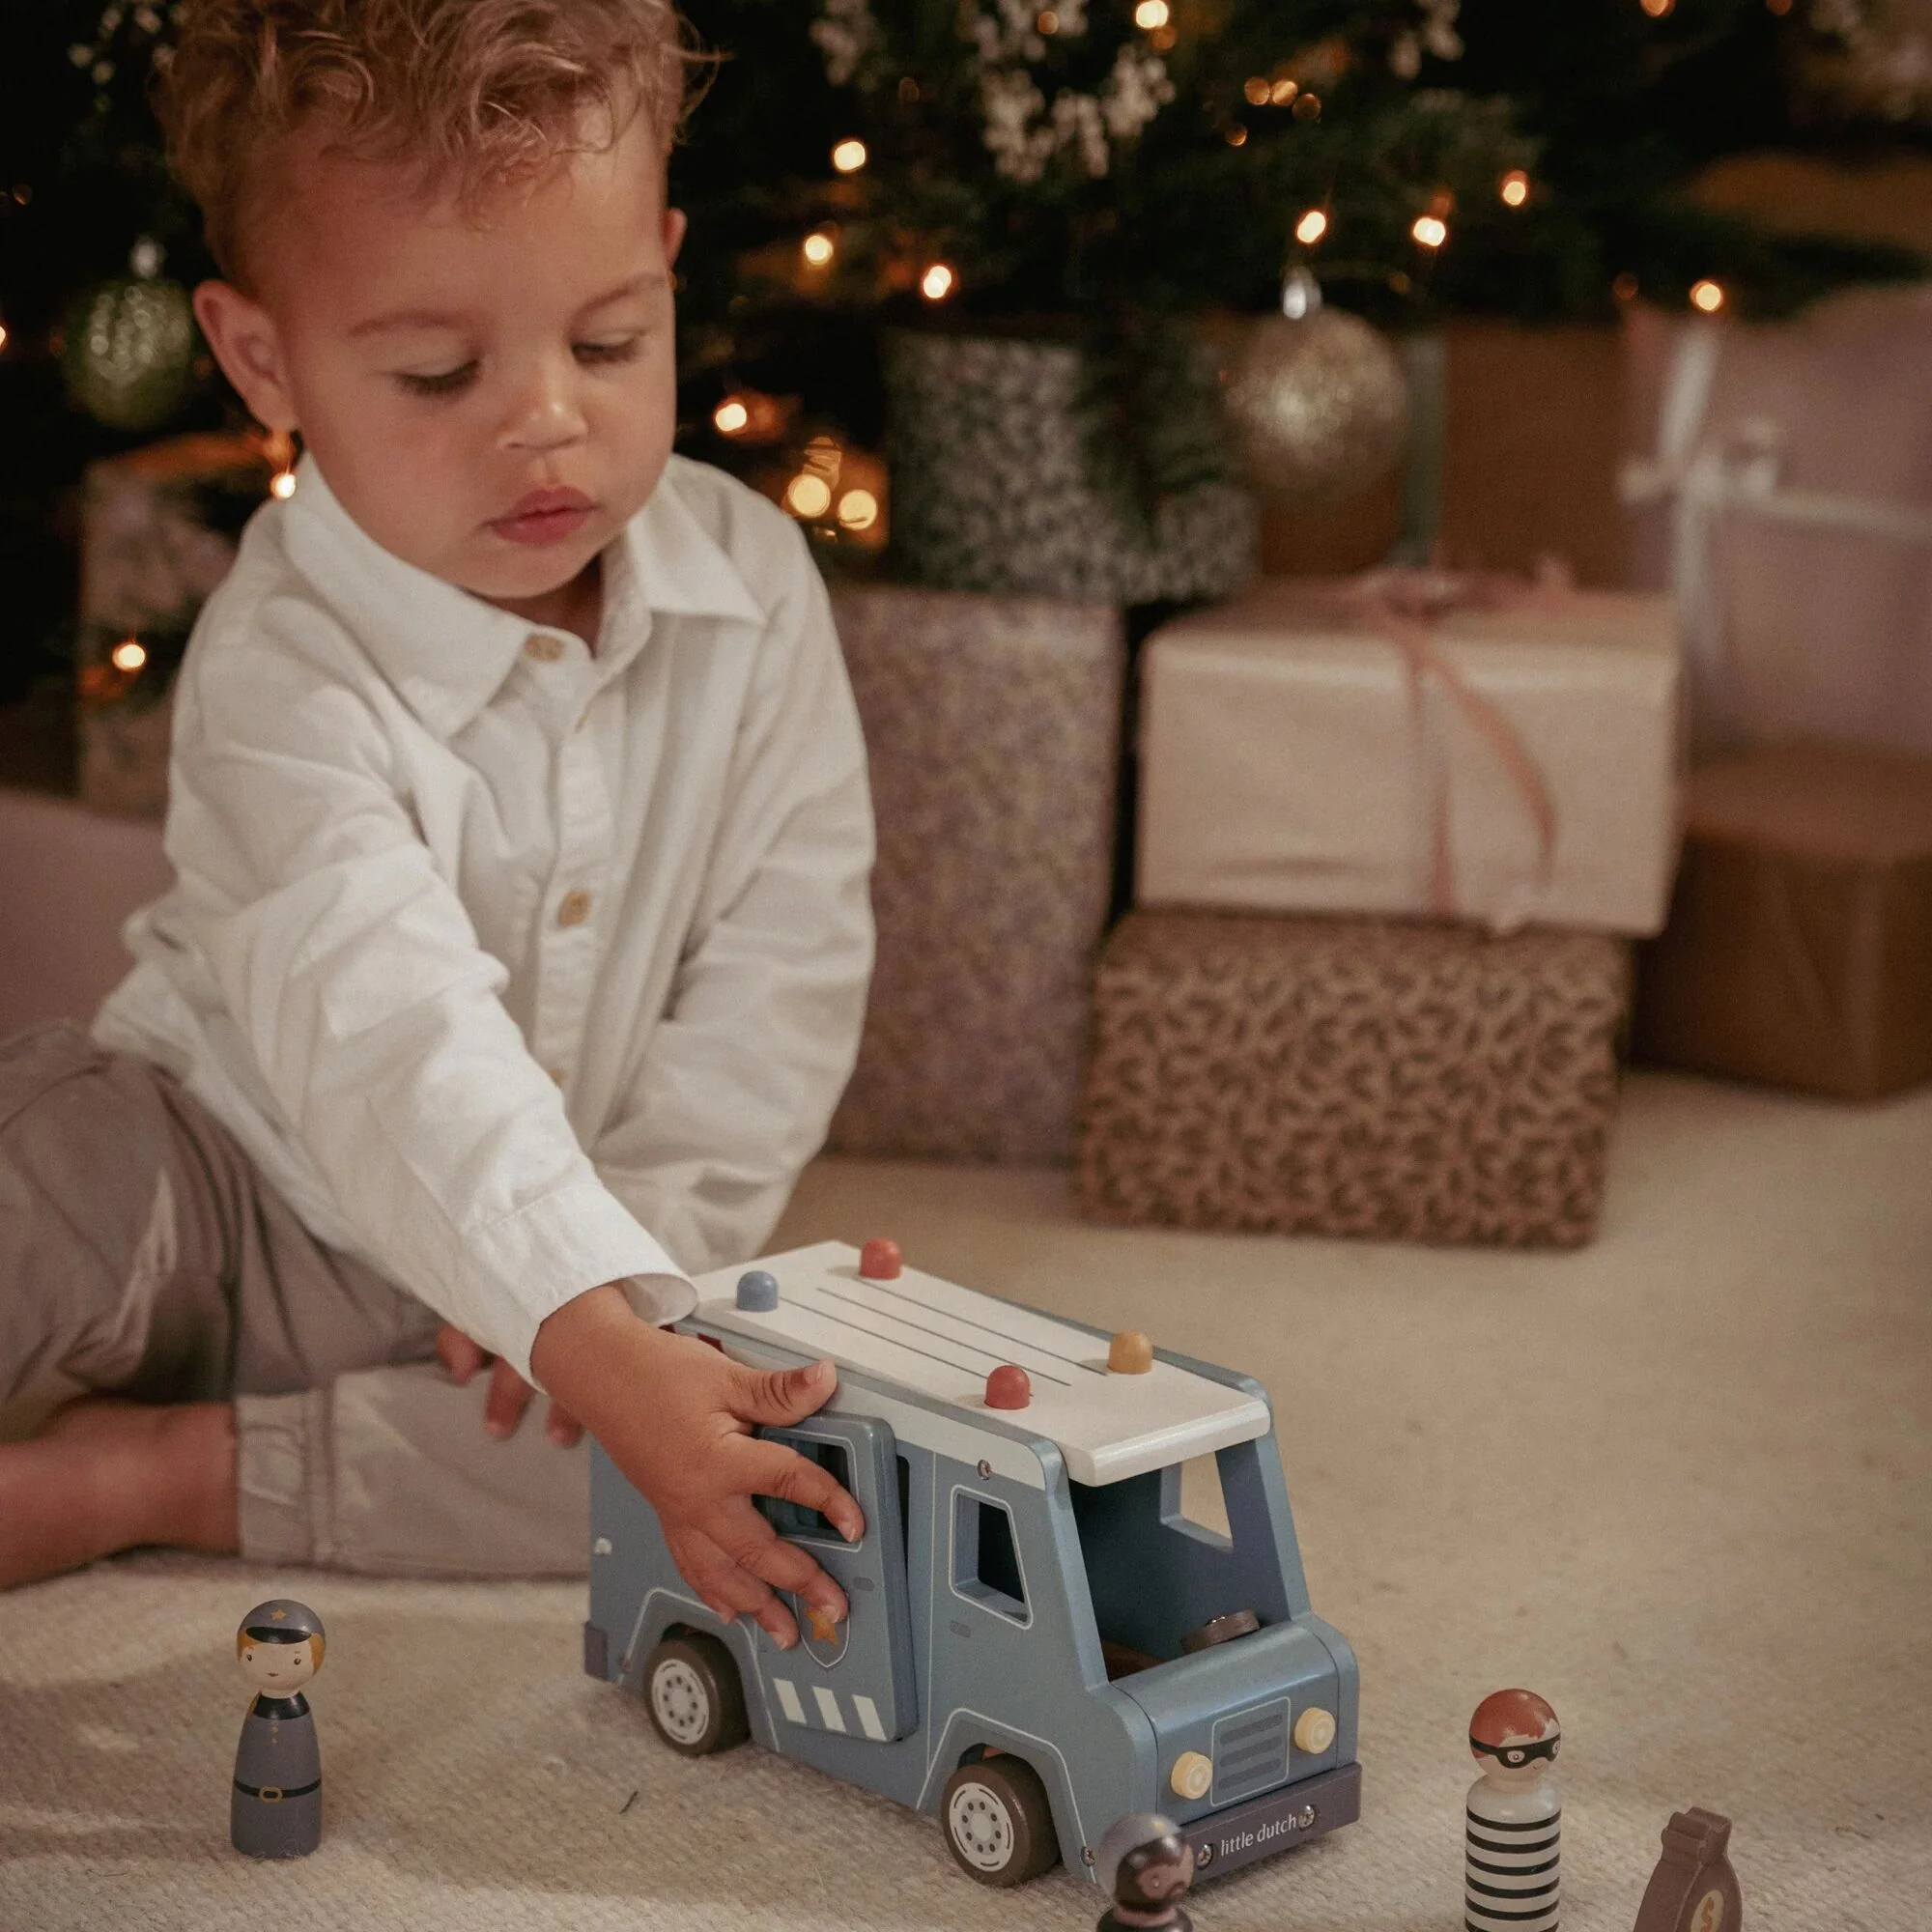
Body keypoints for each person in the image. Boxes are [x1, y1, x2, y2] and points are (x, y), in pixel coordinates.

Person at [0, 0, 873, 1652]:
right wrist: (575, 1316)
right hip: (220, 1179)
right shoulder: (282, 660)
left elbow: (785, 976)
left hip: (531, 1271)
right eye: (436, 373)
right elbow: (379, 1021)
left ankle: (159, 1478)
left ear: (667, 268)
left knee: (776, 1462)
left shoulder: (754, 587)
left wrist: (612, 1285)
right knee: (41, 1175)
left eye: (608, 343)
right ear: (264, 360)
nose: (545, 420)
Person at [231, 1599, 328, 1858]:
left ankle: (294, 1838)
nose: (273, 1668)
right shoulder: (258, 1710)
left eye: (295, 1660)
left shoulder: (297, 1712)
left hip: (298, 1802)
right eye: (254, 1656)